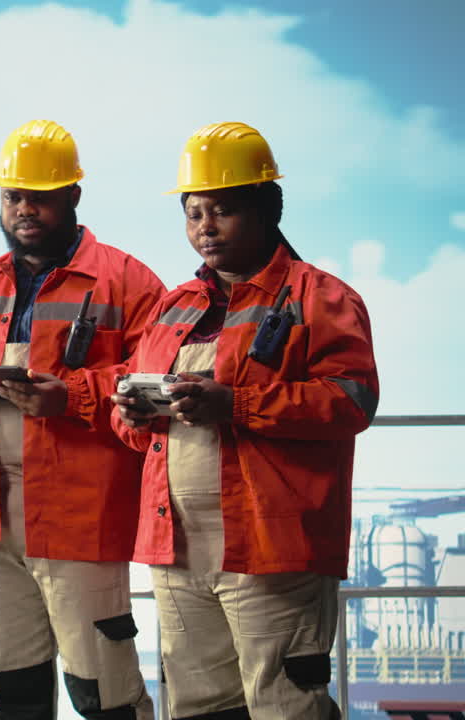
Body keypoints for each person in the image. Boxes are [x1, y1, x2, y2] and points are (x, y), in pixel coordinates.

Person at [110, 121, 379, 719]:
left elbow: (351, 401)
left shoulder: (322, 299)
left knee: (287, 703)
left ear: (267, 209)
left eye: (223, 210)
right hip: (177, 547)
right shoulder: (172, 306)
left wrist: (236, 404)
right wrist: (131, 412)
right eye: (193, 212)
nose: (205, 227)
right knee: (198, 707)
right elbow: (134, 429)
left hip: (272, 545)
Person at [0, 119, 163, 720]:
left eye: (39, 196)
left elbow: (157, 377)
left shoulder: (126, 282)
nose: (23, 209)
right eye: (12, 196)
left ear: (73, 196)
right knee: (13, 696)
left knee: (105, 697)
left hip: (78, 520)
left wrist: (74, 395)